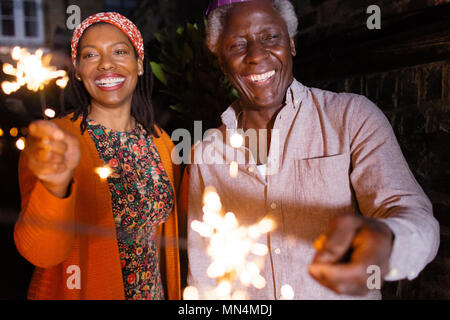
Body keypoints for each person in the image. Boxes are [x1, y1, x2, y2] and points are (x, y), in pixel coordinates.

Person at [184, 0, 440, 299]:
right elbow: (205, 273)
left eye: (270, 37)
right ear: (221, 61)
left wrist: (388, 240)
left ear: (291, 44)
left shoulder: (351, 117)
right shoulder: (207, 153)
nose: (256, 55)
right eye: (237, 45)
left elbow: (412, 214)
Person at [14, 12, 181, 300]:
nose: (106, 64)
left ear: (139, 64)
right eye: (91, 55)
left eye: (119, 51)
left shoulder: (161, 141)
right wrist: (55, 187)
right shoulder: (55, 141)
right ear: (78, 70)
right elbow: (40, 252)